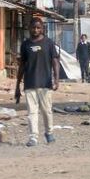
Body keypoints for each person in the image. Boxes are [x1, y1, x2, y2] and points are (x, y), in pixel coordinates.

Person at [15, 17, 60, 147]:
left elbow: (55, 62)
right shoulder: (25, 45)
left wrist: (56, 79)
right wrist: (17, 85)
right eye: (33, 27)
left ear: (42, 29)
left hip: (45, 84)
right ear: (29, 28)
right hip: (30, 84)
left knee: (46, 111)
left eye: (38, 27)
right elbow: (22, 65)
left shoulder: (49, 43)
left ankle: (49, 133)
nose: (35, 30)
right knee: (32, 112)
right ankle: (33, 137)